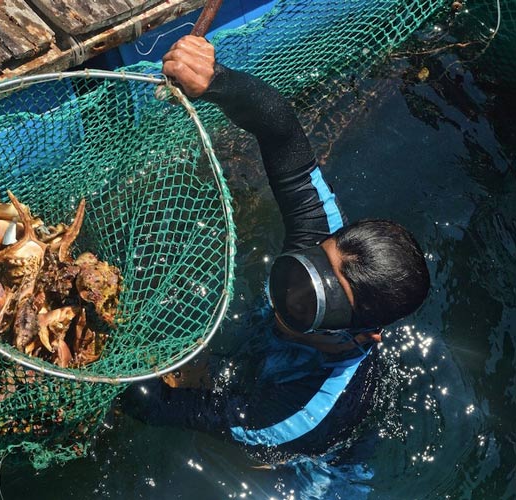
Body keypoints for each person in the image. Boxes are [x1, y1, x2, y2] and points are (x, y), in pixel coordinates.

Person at [120, 36, 431, 456]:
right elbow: (280, 129)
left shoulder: (296, 415)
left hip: (312, 459)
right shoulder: (320, 234)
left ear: (364, 335)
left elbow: (155, 407)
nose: (291, 291)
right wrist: (216, 81)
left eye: (313, 302)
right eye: (305, 267)